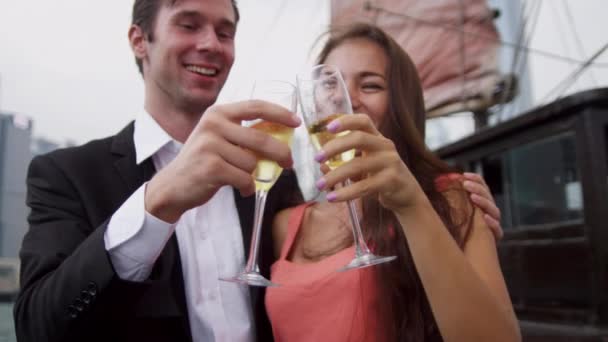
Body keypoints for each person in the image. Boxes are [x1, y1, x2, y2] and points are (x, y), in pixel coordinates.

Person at [13, 1, 302, 341]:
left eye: (225, 33)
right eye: (189, 25)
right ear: (139, 40)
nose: (211, 44)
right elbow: (36, 328)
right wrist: (154, 205)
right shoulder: (66, 174)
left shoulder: (273, 174)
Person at [265, 23, 520, 341]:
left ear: (401, 106)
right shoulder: (285, 224)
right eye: (330, 84)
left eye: (370, 86)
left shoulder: (451, 197)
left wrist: (414, 206)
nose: (347, 99)